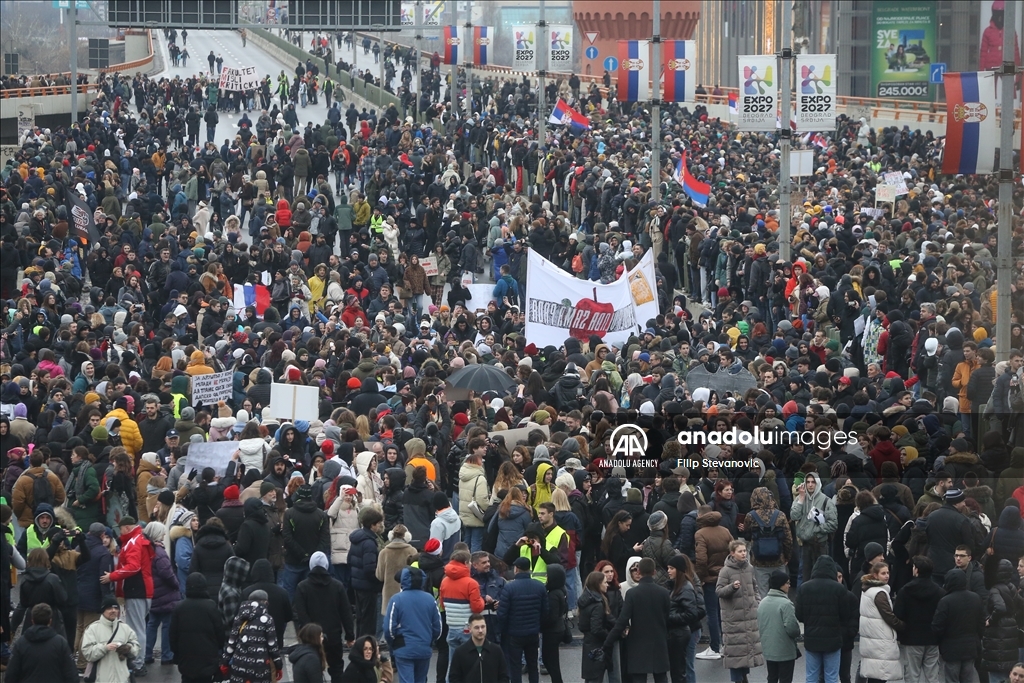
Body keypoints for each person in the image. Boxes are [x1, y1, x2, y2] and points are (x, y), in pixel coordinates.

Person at [100, 516, 154, 679]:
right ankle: (137, 661)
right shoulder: (138, 539)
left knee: (137, 628)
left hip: (137, 589)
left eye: (121, 529)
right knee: (137, 627)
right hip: (141, 589)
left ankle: (138, 663)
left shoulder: (133, 542)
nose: (120, 532)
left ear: (127, 528)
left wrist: (112, 576)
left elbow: (133, 567)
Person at [603, 557, 671, 683]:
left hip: (638, 643)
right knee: (661, 677)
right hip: (659, 642)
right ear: (654, 572)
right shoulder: (664, 593)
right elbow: (668, 617)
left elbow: (622, 620)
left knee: (639, 678)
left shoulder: (632, 594)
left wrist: (608, 641)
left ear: (639, 571)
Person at [294, 551, 355, 681]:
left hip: (311, 637)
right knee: (337, 669)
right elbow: (346, 612)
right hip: (333, 636)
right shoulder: (337, 586)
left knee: (313, 671)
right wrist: (350, 636)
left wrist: (306, 632)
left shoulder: (302, 587)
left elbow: (301, 614)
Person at [795, 555, 853, 683]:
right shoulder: (839, 589)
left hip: (812, 639)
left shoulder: (804, 588)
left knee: (811, 676)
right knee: (831, 676)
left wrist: (810, 621)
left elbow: (799, 614)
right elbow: (845, 615)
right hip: (833, 639)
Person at [716, 539, 764, 683]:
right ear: (732, 553)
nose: (743, 554)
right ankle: (738, 679)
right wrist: (731, 587)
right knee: (735, 653)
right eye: (740, 551)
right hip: (733, 618)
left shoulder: (749, 568)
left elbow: (754, 587)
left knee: (747, 650)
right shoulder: (725, 571)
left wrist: (757, 602)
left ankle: (744, 678)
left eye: (745, 551)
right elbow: (719, 591)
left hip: (749, 616)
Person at [384, 566, 442, 683]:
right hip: (424, 647)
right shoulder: (430, 599)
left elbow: (388, 629)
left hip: (403, 647)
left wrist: (394, 643)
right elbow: (438, 628)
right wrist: (429, 640)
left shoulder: (396, 599)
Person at [892, 556, 945, 683]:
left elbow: (898, 614)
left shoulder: (905, 591)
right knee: (932, 675)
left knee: (912, 675)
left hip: (911, 638)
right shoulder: (940, 592)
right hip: (933, 638)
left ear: (916, 570)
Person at [498, 556, 549, 683]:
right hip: (533, 632)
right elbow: (545, 611)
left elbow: (502, 613)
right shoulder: (539, 586)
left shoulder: (509, 587)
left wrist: (504, 630)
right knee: (532, 664)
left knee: (515, 666)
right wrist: (539, 627)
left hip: (514, 633)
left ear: (516, 569)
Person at [933, 568, 986, 683]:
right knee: (968, 677)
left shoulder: (945, 601)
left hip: (951, 648)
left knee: (951, 678)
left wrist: (940, 641)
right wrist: (977, 637)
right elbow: (981, 622)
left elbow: (937, 625)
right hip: (971, 646)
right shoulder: (976, 598)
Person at [169, 573, 225, 683]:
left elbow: (173, 635)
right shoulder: (211, 606)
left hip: (186, 658)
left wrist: (176, 652)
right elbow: (220, 633)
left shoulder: (179, 608)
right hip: (207, 659)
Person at [5, 603, 79, 683]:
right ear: (50, 621)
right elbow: (71, 674)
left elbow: (11, 674)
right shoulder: (61, 643)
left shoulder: (21, 643)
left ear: (32, 621)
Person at [222, 591, 283, 683]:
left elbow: (231, 643)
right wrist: (278, 665)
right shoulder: (267, 619)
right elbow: (272, 646)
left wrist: (224, 662)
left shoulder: (239, 618)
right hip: (260, 668)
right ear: (265, 602)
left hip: (239, 665)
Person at [859, 561, 903, 683]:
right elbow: (888, 616)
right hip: (880, 639)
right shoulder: (879, 593)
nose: (887, 576)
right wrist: (902, 625)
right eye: (883, 573)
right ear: (875, 575)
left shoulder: (867, 590)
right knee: (880, 676)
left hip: (872, 638)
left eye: (888, 573)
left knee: (874, 674)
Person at [80, 596, 141, 683]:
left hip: (122, 679)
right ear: (103, 611)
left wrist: (129, 648)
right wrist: (105, 648)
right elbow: (88, 653)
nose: (113, 610)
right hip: (101, 679)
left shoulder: (126, 628)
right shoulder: (92, 629)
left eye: (116, 608)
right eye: (109, 608)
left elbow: (136, 648)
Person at [757, 570, 800, 683]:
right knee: (785, 679)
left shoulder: (763, 603)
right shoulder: (786, 604)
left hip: (769, 650)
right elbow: (792, 629)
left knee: (772, 678)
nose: (789, 585)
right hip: (785, 650)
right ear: (781, 584)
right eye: (787, 583)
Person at [666, 555, 703, 683]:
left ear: (679, 570)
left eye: (671, 568)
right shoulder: (674, 586)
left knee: (684, 668)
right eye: (668, 568)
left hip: (685, 632)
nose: (668, 571)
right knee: (680, 668)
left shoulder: (686, 588)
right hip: (678, 633)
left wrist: (669, 618)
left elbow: (691, 613)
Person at [448, 613, 510, 683]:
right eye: (476, 627)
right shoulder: (460, 652)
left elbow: (504, 676)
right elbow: (454, 678)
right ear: (470, 629)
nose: (480, 630)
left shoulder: (496, 650)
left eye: (483, 627)